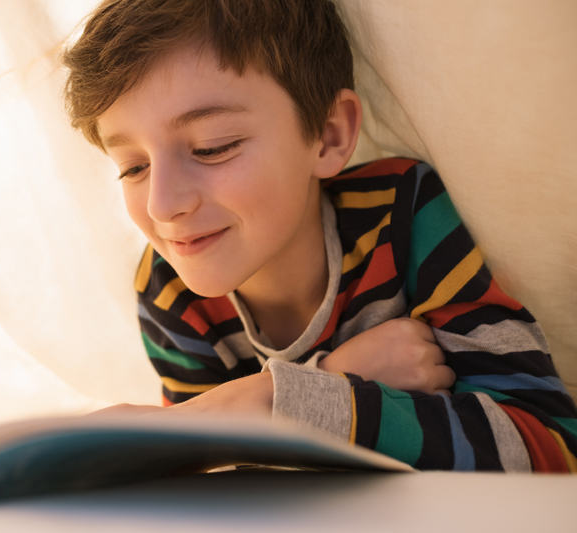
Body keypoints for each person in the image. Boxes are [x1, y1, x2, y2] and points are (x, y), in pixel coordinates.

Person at [61, 0, 577, 471]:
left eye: (213, 147)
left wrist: (265, 404)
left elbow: (550, 452)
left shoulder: (402, 215)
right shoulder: (168, 291)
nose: (163, 205)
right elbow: (222, 480)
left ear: (329, 135)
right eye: (132, 167)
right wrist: (331, 377)